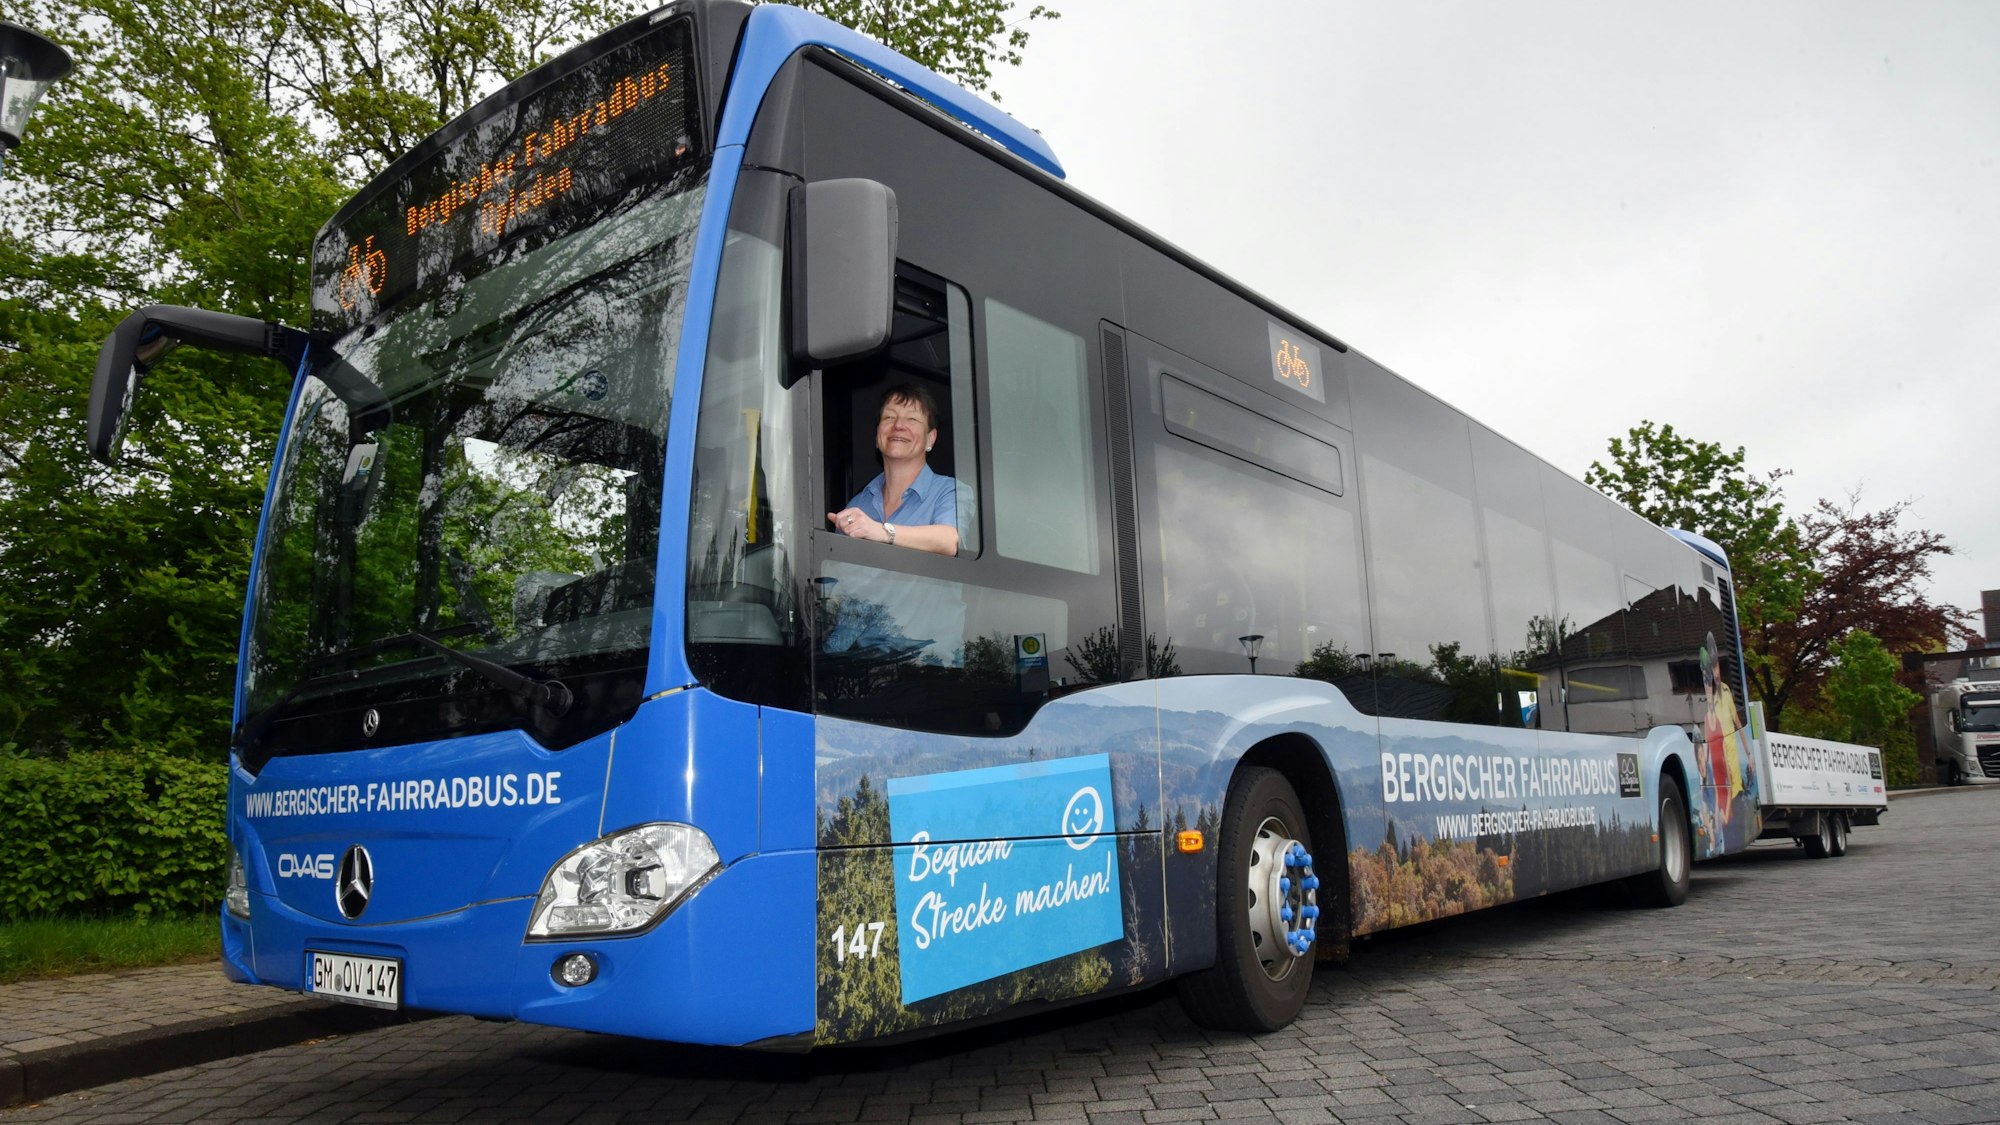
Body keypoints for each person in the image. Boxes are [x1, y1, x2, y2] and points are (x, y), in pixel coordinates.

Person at [827, 383, 971, 556]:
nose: (898, 426)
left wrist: (883, 532)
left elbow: (949, 540)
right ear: (877, 436)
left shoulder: (949, 491)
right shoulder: (858, 505)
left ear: (930, 439)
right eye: (889, 417)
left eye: (912, 419)